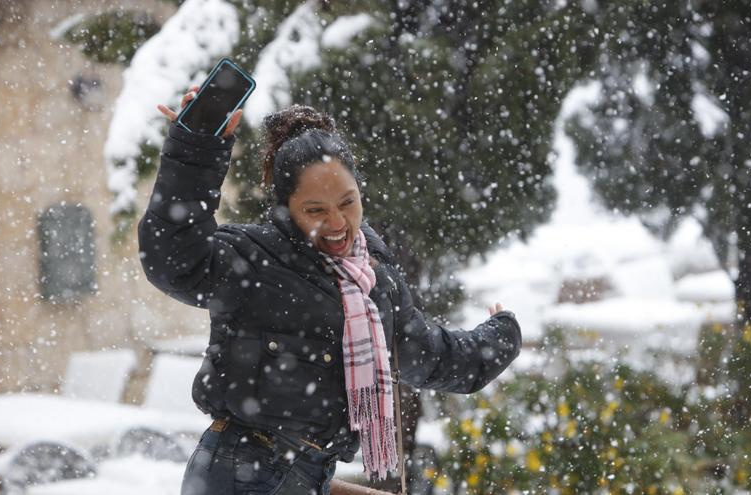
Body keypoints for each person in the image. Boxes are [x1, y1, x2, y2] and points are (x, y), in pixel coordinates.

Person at [140, 87, 522, 495]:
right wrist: (196, 149)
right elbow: (172, 259)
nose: (338, 222)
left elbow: (427, 355)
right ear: (287, 209)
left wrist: (500, 336)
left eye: (348, 202)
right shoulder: (254, 258)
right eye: (316, 210)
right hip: (242, 471)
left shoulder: (372, 276)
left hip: (309, 473)